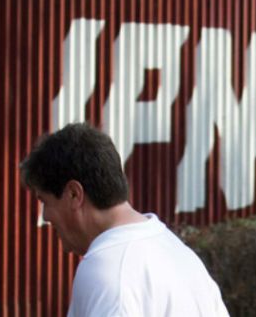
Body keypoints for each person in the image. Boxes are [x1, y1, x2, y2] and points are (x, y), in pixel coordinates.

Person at [20, 122, 229, 317]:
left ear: (74, 194)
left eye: (44, 201)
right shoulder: (181, 257)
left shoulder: (108, 272)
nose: (45, 215)